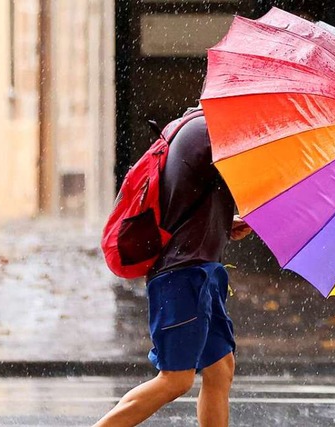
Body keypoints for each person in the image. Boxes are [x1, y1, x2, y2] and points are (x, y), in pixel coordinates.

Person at [93, 105, 252, 427]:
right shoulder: (209, 133)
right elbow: (255, 177)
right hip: (183, 274)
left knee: (220, 368)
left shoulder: (198, 128)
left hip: (199, 269)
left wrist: (222, 224)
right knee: (175, 379)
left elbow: (184, 198)